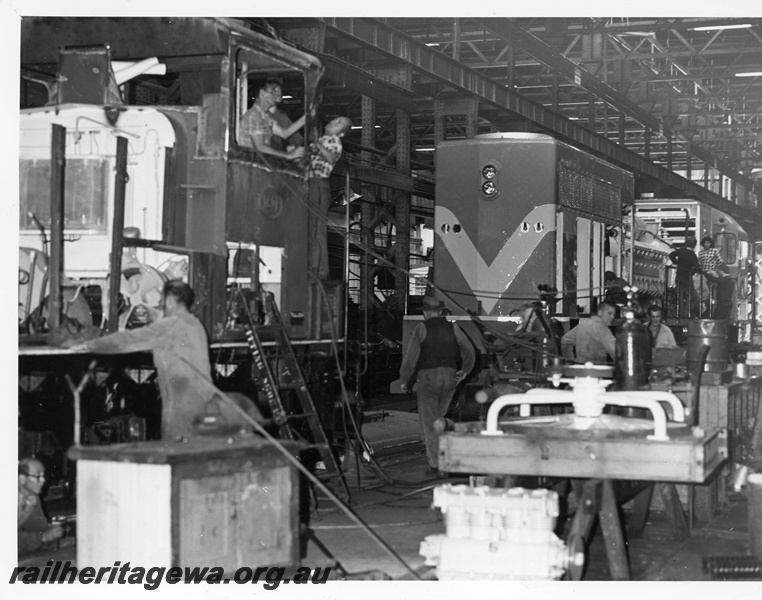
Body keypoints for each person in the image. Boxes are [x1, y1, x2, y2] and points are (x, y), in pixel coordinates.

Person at [69, 281, 214, 440]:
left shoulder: (171, 325)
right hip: (203, 403)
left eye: (162, 299)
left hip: (183, 407)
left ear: (170, 300)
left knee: (178, 453)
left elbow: (129, 340)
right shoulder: (196, 324)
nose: (160, 304)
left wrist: (89, 345)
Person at [399, 295, 475, 475]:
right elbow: (469, 351)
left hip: (429, 378)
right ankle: (446, 456)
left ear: (425, 313)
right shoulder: (453, 327)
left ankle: (437, 464)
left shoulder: (421, 328)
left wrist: (404, 380)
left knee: (430, 423)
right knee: (440, 420)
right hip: (450, 377)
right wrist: (464, 371)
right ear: (440, 312)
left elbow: (411, 358)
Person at [307, 116, 352, 280]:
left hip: (318, 184)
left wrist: (317, 145)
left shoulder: (333, 141)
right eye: (335, 119)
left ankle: (317, 270)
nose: (334, 122)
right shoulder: (322, 139)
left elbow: (331, 158)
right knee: (310, 228)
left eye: (339, 123)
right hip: (311, 183)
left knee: (315, 229)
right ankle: (313, 266)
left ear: (341, 134)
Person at [240, 80, 305, 161]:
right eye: (272, 92)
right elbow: (260, 147)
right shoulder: (254, 115)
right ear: (262, 93)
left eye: (277, 92)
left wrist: (305, 118)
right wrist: (288, 155)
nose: (276, 95)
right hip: (250, 166)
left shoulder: (265, 117)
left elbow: (284, 133)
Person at [18, 458, 64, 557]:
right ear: (22, 478)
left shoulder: (32, 497)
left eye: (43, 476)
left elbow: (38, 528)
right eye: (38, 476)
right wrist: (43, 537)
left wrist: (52, 532)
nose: (43, 480)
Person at [668, 236, 701, 318]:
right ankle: (686, 313)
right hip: (687, 277)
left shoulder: (681, 251)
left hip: (679, 275)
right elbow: (696, 267)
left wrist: (676, 263)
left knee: (680, 295)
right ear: (694, 245)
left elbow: (671, 255)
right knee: (689, 296)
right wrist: (696, 271)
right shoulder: (692, 255)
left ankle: (679, 312)